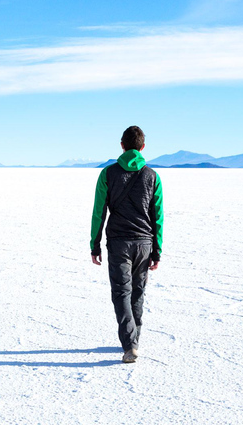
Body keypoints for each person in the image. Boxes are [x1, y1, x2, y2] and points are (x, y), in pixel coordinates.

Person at [90, 126, 164, 363]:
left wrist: (95, 244)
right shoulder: (153, 176)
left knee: (122, 292)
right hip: (144, 243)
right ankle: (133, 341)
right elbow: (158, 216)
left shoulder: (107, 174)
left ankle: (130, 343)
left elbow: (98, 212)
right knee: (138, 292)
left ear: (122, 145)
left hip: (119, 243)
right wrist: (157, 250)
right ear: (143, 147)